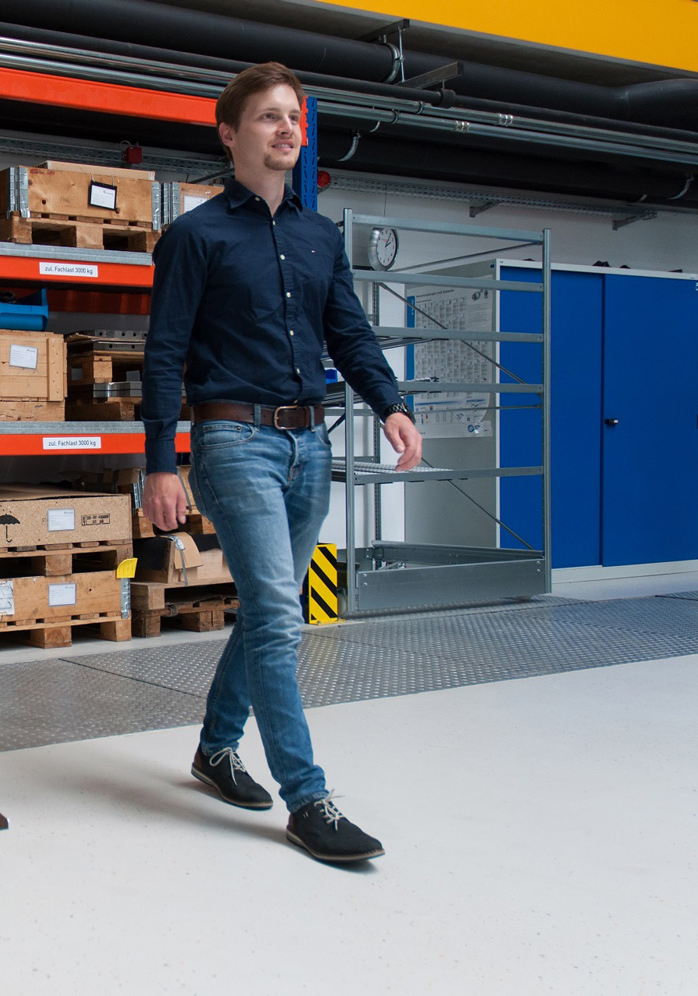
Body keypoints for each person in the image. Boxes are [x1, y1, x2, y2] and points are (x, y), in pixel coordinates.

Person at [141, 62, 423, 863]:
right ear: (230, 134)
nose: (287, 129)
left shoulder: (317, 236)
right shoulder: (195, 237)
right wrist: (162, 461)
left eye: (293, 117)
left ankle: (215, 746)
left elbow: (351, 336)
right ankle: (309, 797)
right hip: (233, 442)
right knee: (277, 611)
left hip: (311, 446)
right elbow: (164, 355)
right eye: (269, 117)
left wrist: (392, 406)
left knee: (270, 611)